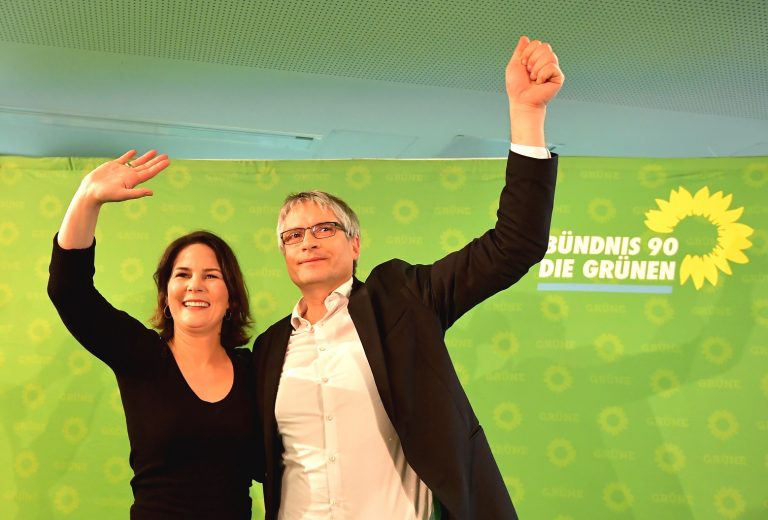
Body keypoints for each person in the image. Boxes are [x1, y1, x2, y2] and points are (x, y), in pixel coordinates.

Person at [252, 35, 564, 520]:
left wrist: (527, 116)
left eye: (324, 228)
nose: (308, 241)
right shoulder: (269, 349)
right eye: (293, 236)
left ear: (355, 244)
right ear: (284, 255)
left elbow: (514, 244)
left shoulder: (403, 299)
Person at [47, 150, 259, 519]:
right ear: (166, 294)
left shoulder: (256, 369)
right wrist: (88, 197)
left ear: (231, 298)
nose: (196, 285)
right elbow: (69, 291)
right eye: (182, 275)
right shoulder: (141, 355)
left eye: (211, 275)